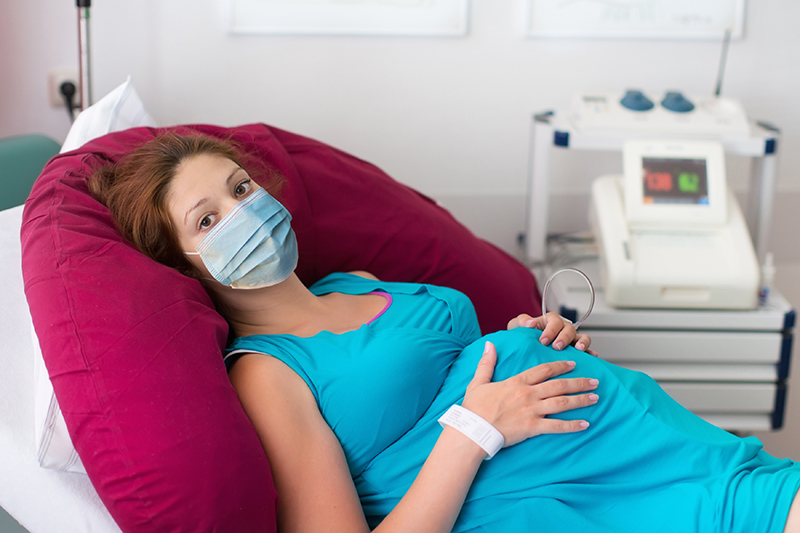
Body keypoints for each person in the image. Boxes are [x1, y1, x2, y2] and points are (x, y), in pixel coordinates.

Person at [90, 132, 800, 533]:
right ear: (180, 262)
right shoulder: (265, 373)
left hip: (647, 441)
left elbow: (462, 365)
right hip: (574, 500)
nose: (242, 214)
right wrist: (476, 426)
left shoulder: (356, 281)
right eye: (208, 219)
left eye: (242, 188)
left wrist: (526, 338)